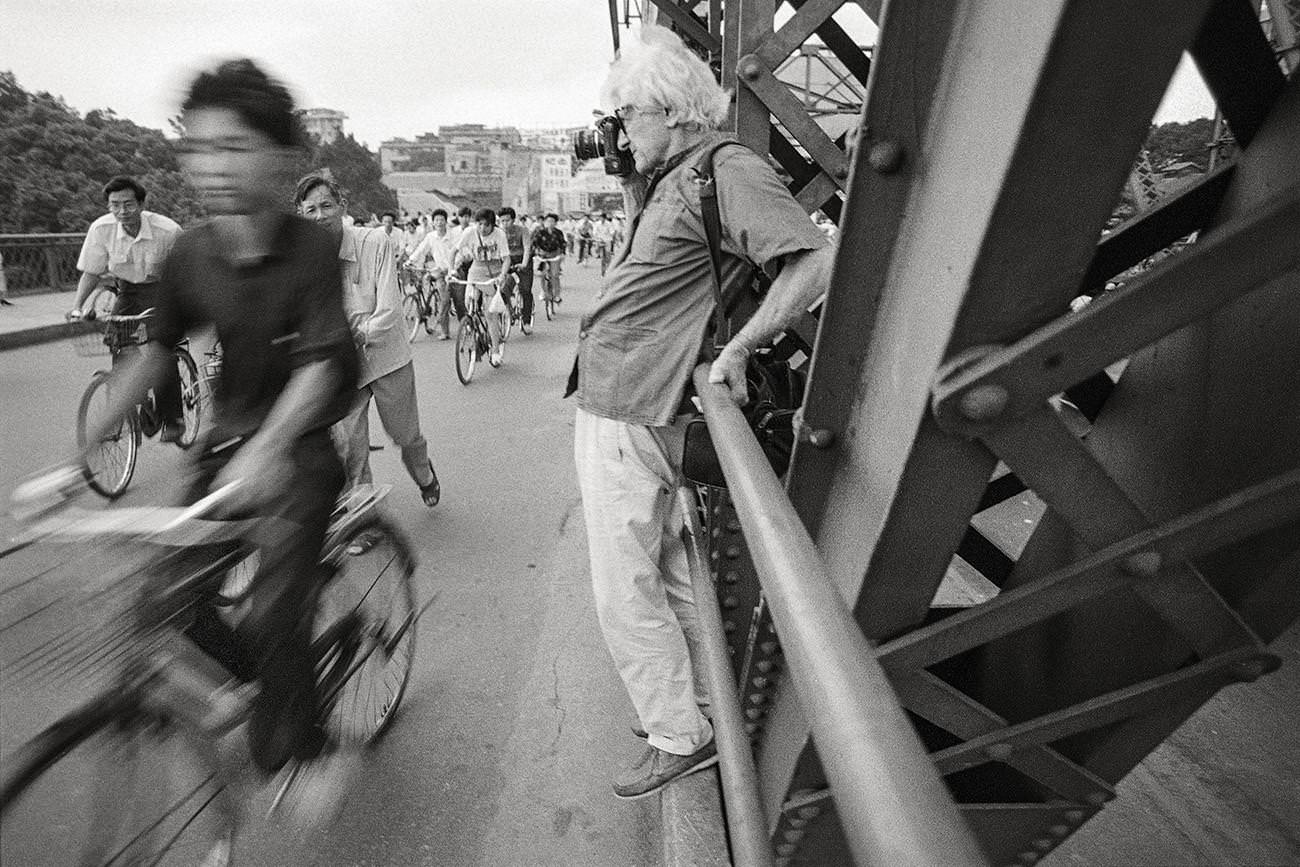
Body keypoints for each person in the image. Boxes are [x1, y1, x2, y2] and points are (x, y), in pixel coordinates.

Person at [73, 59, 364, 820]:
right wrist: (82, 452)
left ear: (282, 158)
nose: (211, 166)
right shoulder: (192, 253)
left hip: (299, 448)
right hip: (228, 447)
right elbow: (155, 353)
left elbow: (321, 363)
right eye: (197, 148)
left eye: (233, 146)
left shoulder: (310, 249)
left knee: (274, 608)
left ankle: (302, 747)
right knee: (170, 600)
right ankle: (271, 684)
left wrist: (273, 444)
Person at [568, 24, 834, 800]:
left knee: (623, 586)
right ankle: (703, 708)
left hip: (631, 405)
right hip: (625, 400)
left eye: (628, 117)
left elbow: (811, 260)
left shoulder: (726, 168)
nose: (621, 134)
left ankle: (677, 734)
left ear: (671, 108)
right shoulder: (672, 178)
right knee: (669, 573)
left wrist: (743, 347)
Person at [295, 172, 441, 519]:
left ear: (342, 206)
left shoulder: (375, 241)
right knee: (349, 447)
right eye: (311, 210)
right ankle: (364, 520)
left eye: (326, 206)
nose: (320, 216)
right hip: (344, 366)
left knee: (406, 437)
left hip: (388, 356)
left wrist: (357, 334)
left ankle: (424, 475)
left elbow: (390, 307)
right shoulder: (302, 260)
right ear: (300, 215)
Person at [68, 175, 186, 441]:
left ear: (141, 204)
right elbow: (92, 272)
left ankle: (173, 419)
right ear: (108, 206)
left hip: (163, 290)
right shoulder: (101, 229)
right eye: (115, 205)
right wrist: (77, 307)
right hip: (128, 290)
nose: (122, 211)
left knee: (160, 349)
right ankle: (135, 399)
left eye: (128, 204)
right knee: (120, 345)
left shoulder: (168, 231)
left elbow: (185, 273)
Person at [453, 207, 511, 366]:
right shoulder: (469, 233)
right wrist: (451, 270)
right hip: (476, 270)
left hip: (494, 271)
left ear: (492, 225)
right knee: (468, 304)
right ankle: (474, 327)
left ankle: (495, 350)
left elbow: (506, 259)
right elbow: (454, 251)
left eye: (486, 225)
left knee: (490, 314)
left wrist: (502, 275)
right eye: (479, 224)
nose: (482, 228)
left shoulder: (499, 235)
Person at [402, 207, 459, 336]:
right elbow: (421, 250)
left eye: (442, 220)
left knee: (458, 301)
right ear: (433, 222)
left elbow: (459, 254)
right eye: (436, 220)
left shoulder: (453, 236)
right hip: (439, 271)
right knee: (444, 299)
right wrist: (410, 261)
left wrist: (452, 268)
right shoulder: (431, 237)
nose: (439, 222)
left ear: (446, 221)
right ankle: (445, 331)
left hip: (453, 270)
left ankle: (465, 326)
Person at [497, 206, 534, 327]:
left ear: (513, 220)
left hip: (522, 260)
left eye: (507, 220)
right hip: (506, 261)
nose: (505, 223)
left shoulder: (523, 230)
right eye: (502, 221)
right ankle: (509, 311)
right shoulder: (498, 232)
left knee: (525, 290)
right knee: (503, 289)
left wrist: (524, 263)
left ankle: (526, 320)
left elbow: (527, 248)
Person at [530, 212, 567, 304]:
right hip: (542, 256)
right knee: (542, 274)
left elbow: (563, 244)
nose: (550, 223)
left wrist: (563, 253)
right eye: (548, 221)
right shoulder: (540, 232)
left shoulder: (558, 233)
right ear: (545, 222)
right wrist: (535, 253)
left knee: (555, 275)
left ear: (555, 223)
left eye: (552, 221)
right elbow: (534, 243)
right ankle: (543, 291)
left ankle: (557, 294)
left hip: (555, 256)